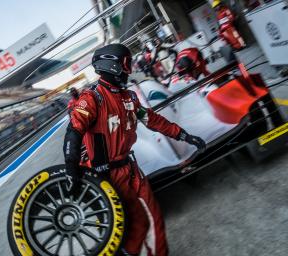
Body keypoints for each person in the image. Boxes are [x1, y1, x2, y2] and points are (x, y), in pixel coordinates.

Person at [63, 44, 206, 255]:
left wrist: (185, 135)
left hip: (131, 168)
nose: (129, 70)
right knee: (132, 227)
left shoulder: (129, 97)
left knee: (150, 220)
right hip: (106, 176)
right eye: (125, 64)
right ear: (111, 66)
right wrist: (71, 170)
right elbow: (73, 133)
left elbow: (154, 120)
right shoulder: (92, 98)